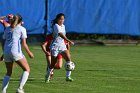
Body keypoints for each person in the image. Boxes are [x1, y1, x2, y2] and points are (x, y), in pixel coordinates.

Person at [1, 14, 34, 93]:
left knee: (8, 72)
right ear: (21, 21)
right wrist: (29, 53)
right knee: (27, 69)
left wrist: (3, 54)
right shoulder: (22, 29)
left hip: (6, 52)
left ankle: (3, 90)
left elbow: (6, 42)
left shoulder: (8, 29)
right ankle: (20, 88)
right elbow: (24, 44)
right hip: (15, 51)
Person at [45, 13, 75, 82]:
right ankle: (47, 76)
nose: (61, 20)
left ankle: (68, 77)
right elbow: (60, 34)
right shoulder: (56, 26)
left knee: (69, 59)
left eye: (63, 19)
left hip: (62, 46)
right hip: (55, 46)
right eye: (60, 19)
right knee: (53, 64)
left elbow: (64, 35)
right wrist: (69, 40)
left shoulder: (63, 26)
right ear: (57, 19)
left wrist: (67, 43)